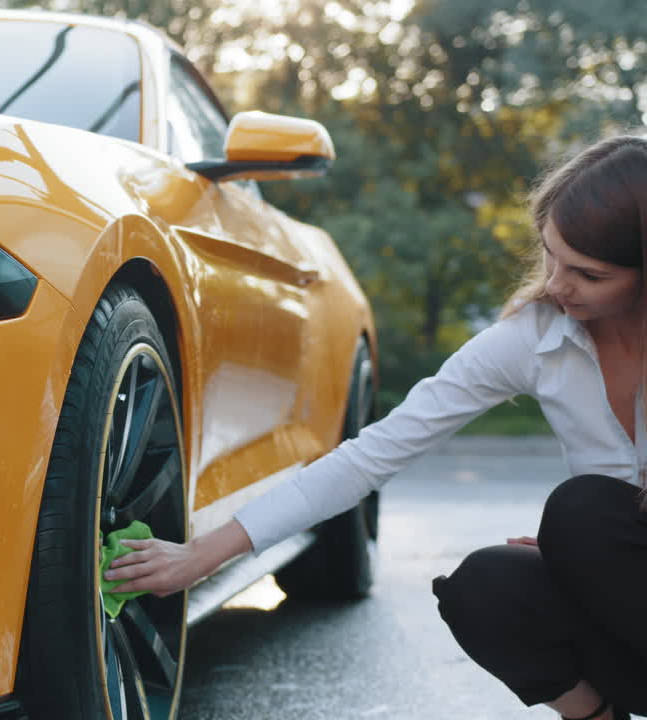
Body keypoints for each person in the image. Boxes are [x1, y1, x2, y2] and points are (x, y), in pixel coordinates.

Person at [104, 132, 647, 720]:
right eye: (550, 255)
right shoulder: (537, 338)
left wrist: (598, 544)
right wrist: (199, 556)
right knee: (488, 583)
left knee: (583, 513)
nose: (557, 284)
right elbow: (371, 455)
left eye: (589, 274)